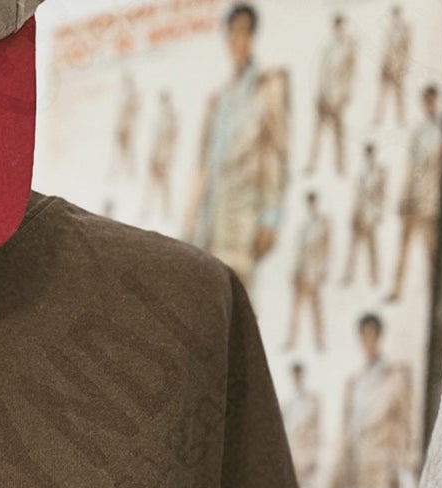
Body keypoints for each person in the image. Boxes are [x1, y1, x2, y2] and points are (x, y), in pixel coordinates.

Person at [185, 3, 290, 285]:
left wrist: (270, 218)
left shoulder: (267, 89)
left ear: (253, 36)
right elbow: (205, 163)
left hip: (243, 215)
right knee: (206, 297)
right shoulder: (219, 99)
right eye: (232, 33)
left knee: (237, 295)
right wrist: (190, 220)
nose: (236, 40)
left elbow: (275, 154)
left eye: (243, 32)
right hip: (210, 216)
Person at [328, 310, 415, 488]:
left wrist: (405, 462)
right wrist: (338, 465)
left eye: (371, 335)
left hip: (382, 465)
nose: (367, 341)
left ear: (379, 336)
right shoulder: (354, 381)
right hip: (357, 465)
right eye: (363, 335)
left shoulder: (394, 376)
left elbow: (405, 421)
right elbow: (346, 426)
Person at [385, 81, 442, 301]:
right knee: (404, 246)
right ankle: (396, 289)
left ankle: (436, 295)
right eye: (426, 101)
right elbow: (410, 167)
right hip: (413, 197)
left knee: (431, 251)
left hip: (430, 200)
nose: (428, 104)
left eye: (431, 100)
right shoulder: (419, 131)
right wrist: (404, 195)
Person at [305, 12, 357, 176]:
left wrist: (344, 95)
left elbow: (351, 74)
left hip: (338, 97)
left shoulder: (349, 48)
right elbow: (321, 71)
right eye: (336, 26)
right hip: (324, 96)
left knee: (338, 134)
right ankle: (312, 164)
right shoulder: (328, 47)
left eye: (341, 26)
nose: (338, 29)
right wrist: (319, 93)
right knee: (317, 133)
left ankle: (340, 166)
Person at [285, 190, 333, 350]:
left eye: (313, 202)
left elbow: (326, 249)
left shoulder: (323, 223)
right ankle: (291, 340)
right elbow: (299, 250)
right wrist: (295, 269)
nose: (311, 205)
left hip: (313, 271)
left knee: (315, 308)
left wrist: (323, 270)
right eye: (309, 203)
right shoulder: (304, 224)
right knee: (295, 307)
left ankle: (319, 341)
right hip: (301, 269)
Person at [341, 139, 387, 287]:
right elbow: (358, 195)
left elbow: (381, 195)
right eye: (367, 154)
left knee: (371, 247)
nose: (369, 156)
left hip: (371, 214)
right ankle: (349, 275)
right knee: (354, 246)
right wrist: (354, 212)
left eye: (370, 153)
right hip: (360, 212)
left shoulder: (380, 172)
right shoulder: (362, 172)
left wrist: (378, 213)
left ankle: (375, 276)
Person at [283, 362, 324, 488]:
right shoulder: (288, 403)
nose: (297, 379)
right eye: (295, 376)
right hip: (292, 452)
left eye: (299, 376)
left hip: (307, 454)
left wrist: (314, 454)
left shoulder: (313, 400)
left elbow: (317, 429)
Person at [374, 3, 412, 124]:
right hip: (387, 66)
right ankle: (378, 118)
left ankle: (401, 118)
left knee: (399, 95)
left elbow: (406, 50)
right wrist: (384, 66)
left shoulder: (405, 29)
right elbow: (385, 50)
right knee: (383, 94)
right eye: (394, 14)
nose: (395, 16)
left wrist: (401, 66)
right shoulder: (389, 30)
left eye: (397, 14)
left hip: (398, 68)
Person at [144, 88, 178, 219]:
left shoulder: (170, 116)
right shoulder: (160, 115)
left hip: (163, 153)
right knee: (154, 182)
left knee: (163, 183)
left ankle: (165, 211)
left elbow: (171, 136)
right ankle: (151, 210)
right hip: (158, 151)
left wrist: (166, 154)